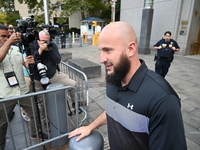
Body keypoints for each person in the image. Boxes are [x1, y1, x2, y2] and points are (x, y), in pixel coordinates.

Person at [68, 22, 187, 150]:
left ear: (131, 49)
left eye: (108, 50)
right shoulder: (114, 78)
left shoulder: (163, 100)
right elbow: (112, 109)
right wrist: (91, 126)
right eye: (101, 51)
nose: (101, 59)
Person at [0, 25, 47, 150]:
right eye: (3, 36)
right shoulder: (7, 46)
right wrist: (9, 41)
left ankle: (35, 133)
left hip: (23, 90)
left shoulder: (15, 49)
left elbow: (24, 64)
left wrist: (29, 62)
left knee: (35, 113)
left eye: (7, 36)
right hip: (5, 95)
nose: (6, 38)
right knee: (2, 124)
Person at [30, 30, 77, 130]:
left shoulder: (52, 45)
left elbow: (58, 60)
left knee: (73, 84)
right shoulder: (32, 45)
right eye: (43, 41)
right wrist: (40, 50)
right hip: (38, 79)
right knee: (43, 103)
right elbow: (30, 64)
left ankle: (75, 104)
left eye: (47, 40)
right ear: (38, 40)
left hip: (53, 75)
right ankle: (46, 123)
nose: (46, 43)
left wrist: (49, 50)